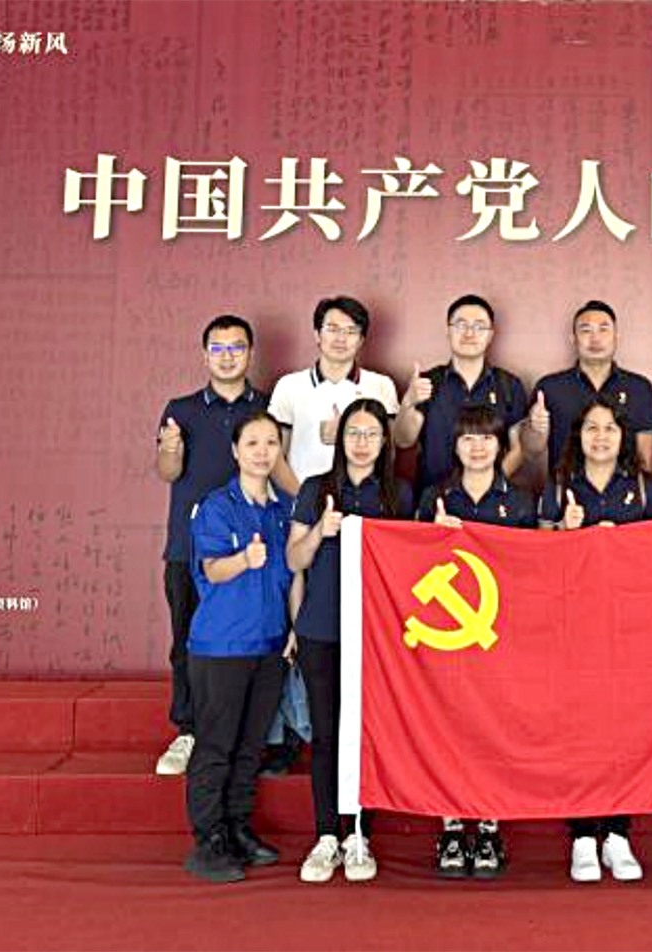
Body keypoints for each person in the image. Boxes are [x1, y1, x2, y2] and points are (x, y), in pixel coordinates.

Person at [260, 295, 399, 775]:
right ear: (317, 334)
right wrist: (312, 501)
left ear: (363, 339)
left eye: (351, 330)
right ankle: (286, 739)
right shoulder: (290, 387)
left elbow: (395, 442)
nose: (341, 338)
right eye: (332, 328)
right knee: (293, 634)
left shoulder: (380, 387)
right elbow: (275, 454)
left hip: (358, 528)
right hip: (308, 517)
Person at [287, 399, 411, 884]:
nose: (362, 443)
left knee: (367, 734)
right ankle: (325, 835)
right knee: (325, 734)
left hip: (377, 635)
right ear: (341, 440)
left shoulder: (398, 494)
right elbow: (294, 559)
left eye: (371, 434)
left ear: (384, 442)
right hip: (321, 628)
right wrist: (321, 530)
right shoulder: (317, 489)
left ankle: (359, 834)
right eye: (354, 433)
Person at [538, 396, 652, 883]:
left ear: (623, 436)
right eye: (592, 428)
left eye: (610, 428)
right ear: (578, 436)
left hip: (629, 629)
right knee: (580, 729)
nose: (601, 437)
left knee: (622, 730)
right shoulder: (559, 486)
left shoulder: (644, 488)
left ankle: (617, 832)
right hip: (574, 627)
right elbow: (536, 559)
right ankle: (583, 834)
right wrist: (567, 533)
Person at [415, 405, 539, 878]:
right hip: (446, 637)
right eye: (468, 438)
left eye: (487, 437)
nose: (478, 447)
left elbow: (536, 567)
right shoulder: (434, 498)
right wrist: (432, 538)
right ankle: (450, 826)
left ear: (501, 445)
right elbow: (410, 565)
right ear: (455, 446)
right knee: (449, 727)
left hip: (502, 635)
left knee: (492, 727)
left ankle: (489, 825)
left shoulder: (521, 501)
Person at [153, 315, 271, 776]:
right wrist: (171, 450)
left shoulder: (267, 407)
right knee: (187, 640)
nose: (227, 357)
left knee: (251, 643)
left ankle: (248, 736)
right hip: (190, 550)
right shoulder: (180, 410)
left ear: (250, 354)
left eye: (236, 348)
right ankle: (188, 730)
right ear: (205, 356)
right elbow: (167, 472)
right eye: (218, 349)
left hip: (255, 550)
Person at [181, 411, 296, 883]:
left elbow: (295, 574)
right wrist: (244, 559)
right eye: (252, 443)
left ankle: (238, 828)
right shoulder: (217, 506)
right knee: (216, 746)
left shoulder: (285, 509)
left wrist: (293, 628)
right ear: (235, 451)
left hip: (270, 644)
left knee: (251, 746)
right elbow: (211, 569)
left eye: (271, 443)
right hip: (221, 646)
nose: (263, 452)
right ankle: (209, 839)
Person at [393, 294, 532, 498]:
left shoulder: (509, 386)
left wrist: (483, 486)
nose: (469, 333)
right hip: (432, 500)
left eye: (479, 326)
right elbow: (403, 440)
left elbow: (518, 450)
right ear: (448, 331)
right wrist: (408, 403)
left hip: (490, 503)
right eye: (461, 325)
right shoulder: (428, 381)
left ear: (491, 335)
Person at [531, 300, 652, 477]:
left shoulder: (639, 388)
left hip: (625, 491)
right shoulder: (549, 387)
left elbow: (646, 462)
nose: (595, 338)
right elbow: (531, 449)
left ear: (616, 337)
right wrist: (534, 428)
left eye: (603, 329)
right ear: (573, 339)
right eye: (586, 330)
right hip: (565, 488)